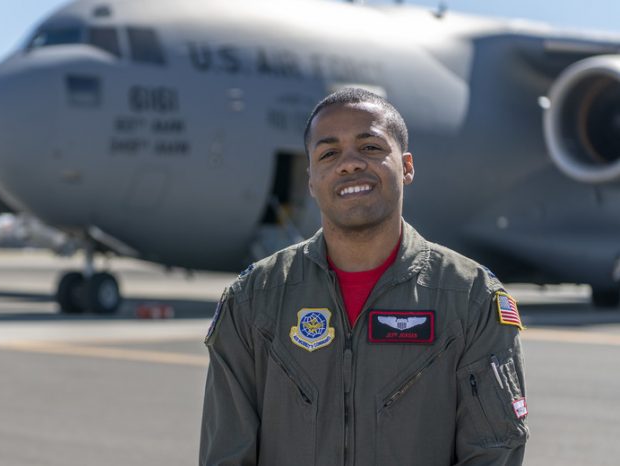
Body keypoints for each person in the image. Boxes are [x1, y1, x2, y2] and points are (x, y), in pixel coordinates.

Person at [199, 88, 528, 466]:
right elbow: (226, 454)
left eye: (370, 147)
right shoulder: (253, 300)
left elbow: (492, 453)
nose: (349, 164)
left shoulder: (472, 299)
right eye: (328, 153)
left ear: (406, 166)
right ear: (311, 179)